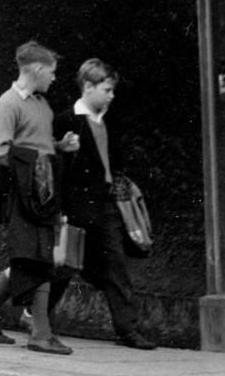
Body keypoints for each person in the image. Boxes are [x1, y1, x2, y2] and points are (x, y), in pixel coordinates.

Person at [0, 40, 79, 354]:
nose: (54, 78)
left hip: (44, 193)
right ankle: (40, 334)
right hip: (23, 193)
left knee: (36, 258)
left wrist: (59, 147)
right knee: (35, 258)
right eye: (51, 72)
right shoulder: (7, 104)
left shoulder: (42, 105)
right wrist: (34, 167)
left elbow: (38, 145)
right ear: (38, 69)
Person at [48, 59, 157, 349]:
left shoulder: (110, 120)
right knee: (66, 264)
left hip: (107, 204)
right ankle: (36, 315)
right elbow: (56, 167)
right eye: (106, 90)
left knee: (115, 263)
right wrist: (60, 209)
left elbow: (115, 161)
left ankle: (127, 329)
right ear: (88, 87)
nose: (111, 95)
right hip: (78, 205)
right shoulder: (66, 120)